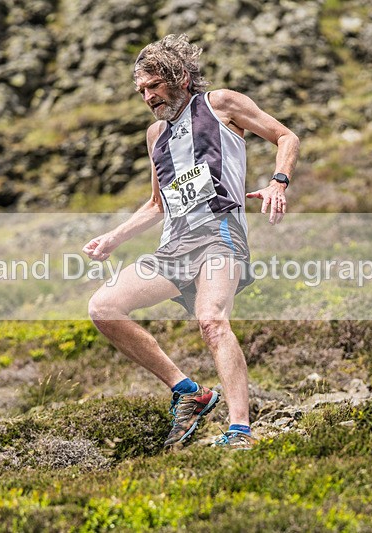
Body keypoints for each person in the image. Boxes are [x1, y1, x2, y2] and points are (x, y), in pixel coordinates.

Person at [83, 34, 299, 450]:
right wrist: (113, 238)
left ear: (179, 76)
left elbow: (286, 137)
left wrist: (278, 181)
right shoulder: (154, 136)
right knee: (103, 307)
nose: (147, 97)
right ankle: (189, 391)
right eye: (141, 90)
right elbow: (156, 204)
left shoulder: (220, 104)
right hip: (174, 246)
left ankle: (240, 431)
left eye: (153, 86)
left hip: (219, 234)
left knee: (212, 319)